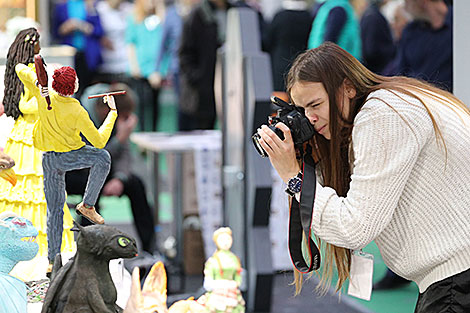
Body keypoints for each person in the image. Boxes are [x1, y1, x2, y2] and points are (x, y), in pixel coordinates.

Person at [256, 42, 470, 312]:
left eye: (316, 105)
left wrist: (292, 174)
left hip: (458, 281)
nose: (310, 119)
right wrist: (309, 161)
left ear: (348, 87)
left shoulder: (383, 115)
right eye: (302, 111)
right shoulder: (389, 102)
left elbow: (355, 227)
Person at [15, 63, 117, 271]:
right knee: (102, 157)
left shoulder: (45, 95)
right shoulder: (77, 110)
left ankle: (53, 260)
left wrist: (37, 79)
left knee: (55, 212)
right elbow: (98, 141)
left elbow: (18, 69)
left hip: (50, 160)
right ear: (74, 86)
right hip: (70, 156)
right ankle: (87, 205)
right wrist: (112, 112)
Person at [0, 28, 76, 281]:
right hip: (28, 137)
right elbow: (26, 104)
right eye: (37, 44)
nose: (39, 48)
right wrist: (47, 94)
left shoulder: (32, 68)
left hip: (39, 134)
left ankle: (48, 253)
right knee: (26, 189)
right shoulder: (24, 71)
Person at [66, 83, 157, 254]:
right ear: (104, 111)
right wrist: (120, 139)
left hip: (101, 171)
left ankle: (150, 249)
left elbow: (125, 154)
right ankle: (87, 248)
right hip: (72, 172)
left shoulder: (116, 117)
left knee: (135, 184)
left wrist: (120, 178)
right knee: (93, 185)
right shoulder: (78, 115)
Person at [178, 0, 232, 131]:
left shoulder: (236, 12)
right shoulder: (198, 15)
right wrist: (198, 77)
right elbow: (185, 54)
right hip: (202, 93)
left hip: (230, 86)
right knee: (202, 133)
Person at [393, 0, 452, 91]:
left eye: (407, 1)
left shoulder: (460, 23)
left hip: (452, 100)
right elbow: (400, 74)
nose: (405, 6)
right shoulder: (410, 31)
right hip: (416, 99)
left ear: (422, 2)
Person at [52, 0, 104, 97]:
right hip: (69, 55)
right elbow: (55, 33)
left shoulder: (91, 5)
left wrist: (84, 27)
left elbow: (99, 31)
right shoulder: (61, 7)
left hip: (89, 56)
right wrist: (65, 28)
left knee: (88, 88)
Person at [265, 0, 313, 92]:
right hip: (301, 61)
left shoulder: (280, 16)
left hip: (279, 62)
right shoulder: (308, 16)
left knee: (279, 98)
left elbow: (268, 40)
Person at [360, 0, 396, 74]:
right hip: (377, 70)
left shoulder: (369, 14)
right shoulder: (374, 17)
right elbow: (371, 50)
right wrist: (393, 50)